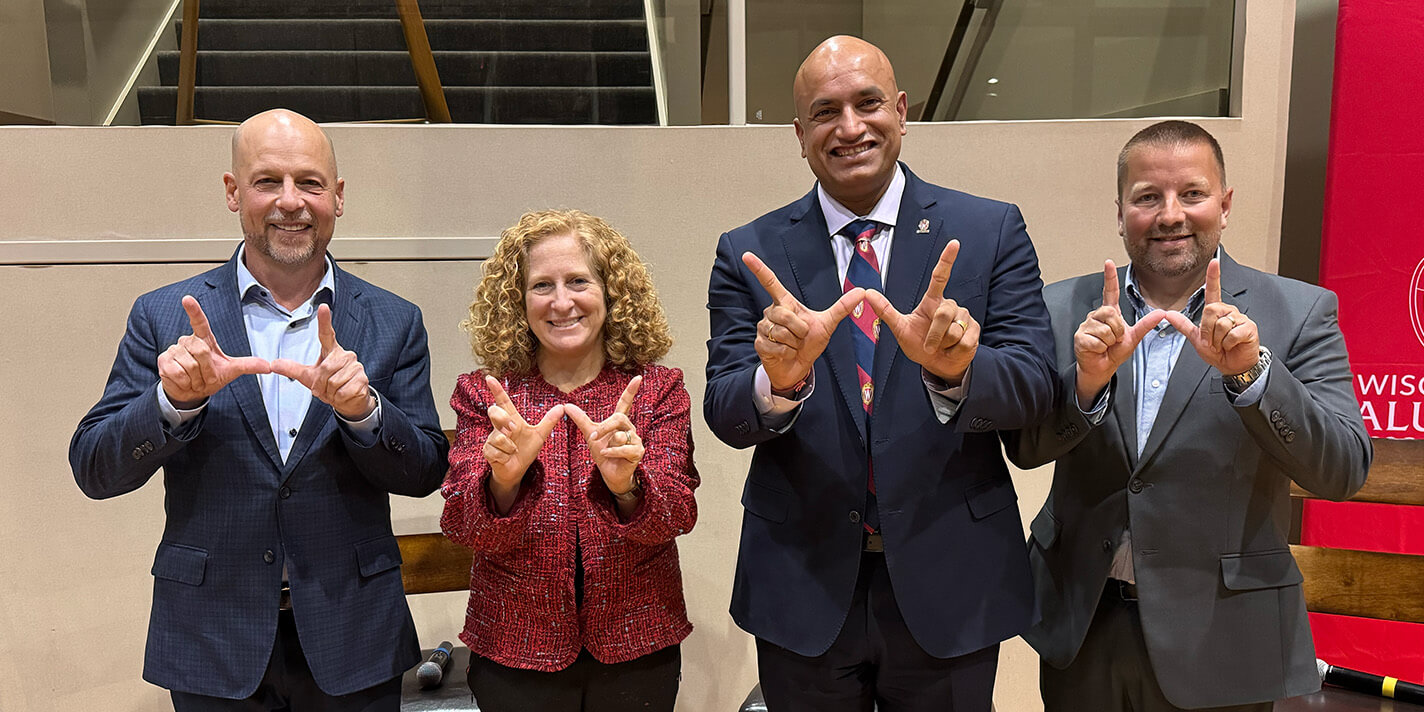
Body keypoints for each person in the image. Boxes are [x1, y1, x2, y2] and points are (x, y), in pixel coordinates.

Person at [704, 35, 1056, 711]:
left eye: (868, 103)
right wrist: (777, 382)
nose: (850, 127)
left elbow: (1036, 387)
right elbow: (725, 410)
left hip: (952, 575)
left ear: (900, 110)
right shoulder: (749, 252)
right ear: (800, 133)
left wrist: (959, 371)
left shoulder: (988, 231)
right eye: (826, 111)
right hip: (800, 580)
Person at [69, 109, 450, 710]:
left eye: (310, 183)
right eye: (268, 181)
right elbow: (94, 467)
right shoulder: (164, 315)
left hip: (354, 635)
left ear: (339, 197)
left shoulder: (393, 320)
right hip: (210, 635)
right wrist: (173, 403)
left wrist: (364, 414)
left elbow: (427, 471)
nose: (290, 202)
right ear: (233, 192)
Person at [1006, 120, 1372, 711]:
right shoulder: (1059, 307)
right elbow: (1024, 448)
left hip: (1224, 634)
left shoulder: (1300, 311)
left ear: (1224, 206)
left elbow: (1343, 470)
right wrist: (1087, 386)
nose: (1170, 214)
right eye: (1147, 197)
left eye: (1192, 194)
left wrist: (1252, 376)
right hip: (1082, 626)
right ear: (1120, 212)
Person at [441, 209, 697, 712]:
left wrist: (627, 487)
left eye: (578, 280)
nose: (562, 302)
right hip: (514, 651)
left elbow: (678, 515)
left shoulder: (657, 390)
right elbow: (463, 526)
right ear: (517, 301)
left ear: (610, 291)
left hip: (638, 648)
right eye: (542, 286)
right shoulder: (485, 395)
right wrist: (504, 484)